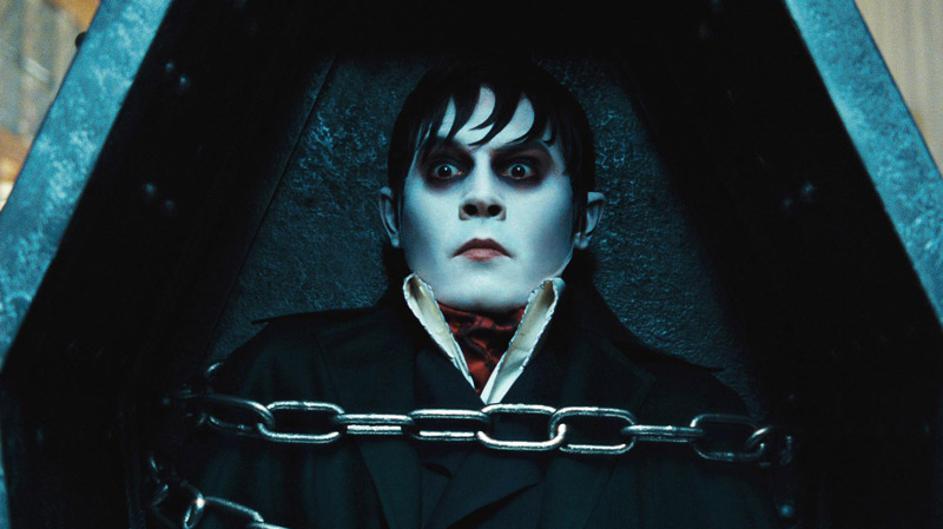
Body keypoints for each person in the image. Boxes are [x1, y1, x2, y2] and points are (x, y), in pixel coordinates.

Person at [179, 56, 780, 529]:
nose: (481, 198)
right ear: (392, 217)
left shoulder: (685, 417)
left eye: (520, 170)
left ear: (583, 219)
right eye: (446, 169)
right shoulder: (281, 382)